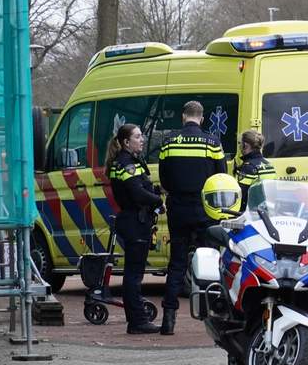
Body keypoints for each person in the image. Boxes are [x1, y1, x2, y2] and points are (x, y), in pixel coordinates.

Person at [157, 100, 226, 335]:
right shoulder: (212, 142)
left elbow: (164, 179)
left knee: (177, 264)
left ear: (183, 117)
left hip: (178, 208)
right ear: (202, 118)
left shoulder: (168, 142)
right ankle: (215, 315)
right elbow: (221, 178)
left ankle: (168, 319)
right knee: (211, 262)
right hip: (205, 209)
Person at [106, 124, 164, 335]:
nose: (142, 140)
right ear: (125, 142)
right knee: (134, 275)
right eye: (138, 137)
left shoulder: (126, 162)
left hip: (134, 221)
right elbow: (137, 193)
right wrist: (158, 200)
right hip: (135, 222)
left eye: (142, 136)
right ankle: (138, 321)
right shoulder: (125, 164)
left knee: (133, 273)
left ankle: (137, 319)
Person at [234, 130, 275, 208]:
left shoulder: (247, 168)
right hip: (267, 211)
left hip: (251, 213)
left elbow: (240, 195)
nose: (239, 146)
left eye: (240, 143)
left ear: (245, 145)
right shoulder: (269, 165)